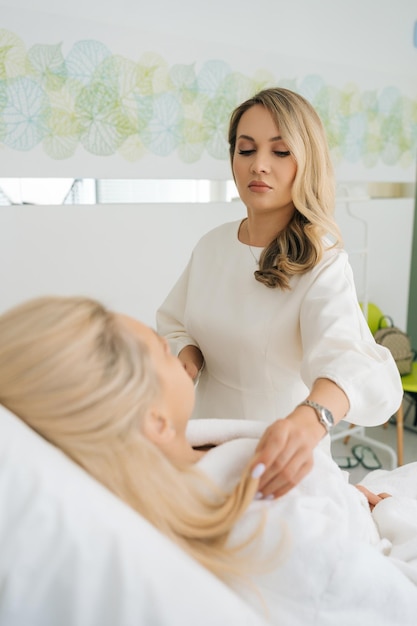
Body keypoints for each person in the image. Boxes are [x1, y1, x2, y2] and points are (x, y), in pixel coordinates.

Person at [0, 295, 417, 625]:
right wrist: (389, 512)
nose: (179, 356)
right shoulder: (274, 530)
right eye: (165, 352)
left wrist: (348, 498)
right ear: (158, 423)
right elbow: (400, 602)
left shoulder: (193, 464)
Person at [156, 87, 403, 498]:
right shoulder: (213, 245)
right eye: (246, 149)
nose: (259, 166)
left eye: (281, 152)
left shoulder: (323, 261)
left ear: (307, 160)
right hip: (206, 443)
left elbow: (350, 358)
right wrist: (189, 357)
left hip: (280, 458)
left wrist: (312, 417)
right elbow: (176, 322)